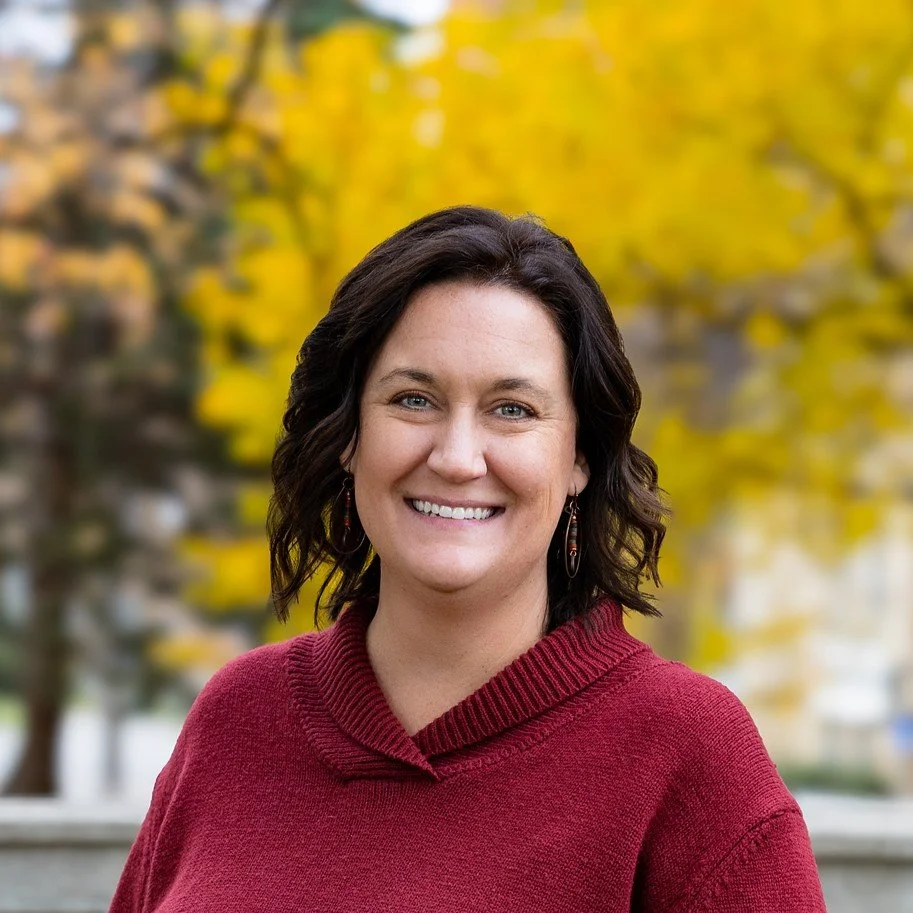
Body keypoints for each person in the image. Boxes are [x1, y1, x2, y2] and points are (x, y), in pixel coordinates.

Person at [110, 206, 827, 912]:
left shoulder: (688, 754)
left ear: (578, 455)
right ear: (349, 436)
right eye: (413, 399)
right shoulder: (237, 717)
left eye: (511, 409)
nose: (456, 458)